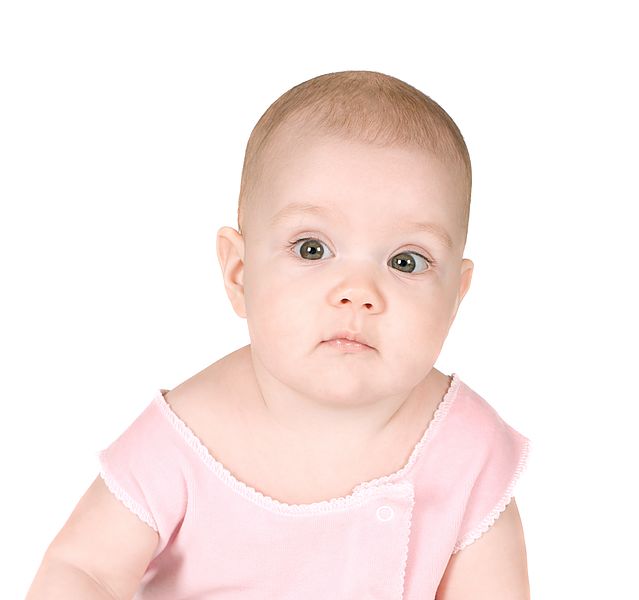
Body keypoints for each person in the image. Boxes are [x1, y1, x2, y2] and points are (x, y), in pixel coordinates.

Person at [27, 70, 531, 599]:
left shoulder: (469, 448)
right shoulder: (186, 437)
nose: (358, 292)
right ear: (240, 273)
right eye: (312, 249)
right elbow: (83, 569)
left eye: (406, 261)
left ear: (456, 295)